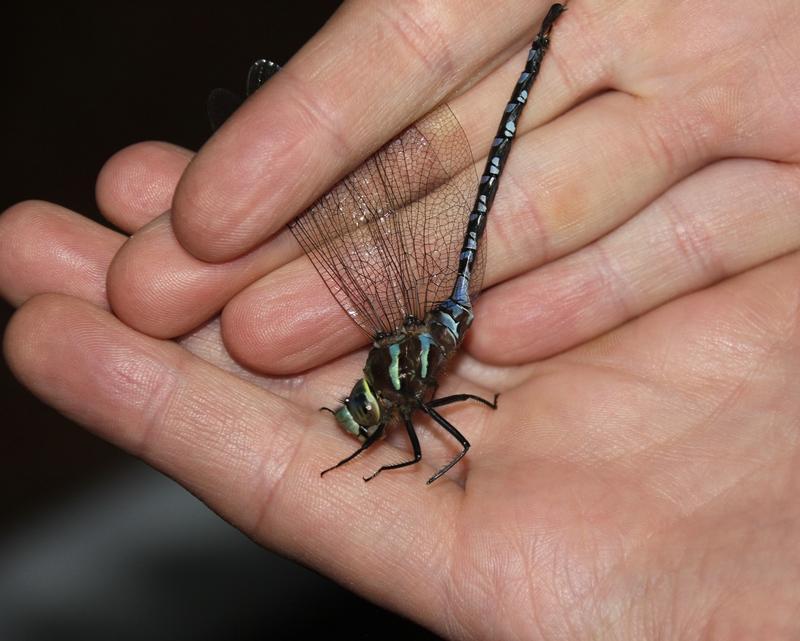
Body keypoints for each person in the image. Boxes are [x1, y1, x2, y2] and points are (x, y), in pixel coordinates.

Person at [2, 1, 799, 637]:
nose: (360, 416)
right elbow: (439, 429)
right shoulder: (399, 392)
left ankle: (546, 31)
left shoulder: (409, 400)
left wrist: (402, 444)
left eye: (360, 410)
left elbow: (437, 433)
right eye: (361, 411)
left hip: (434, 308)